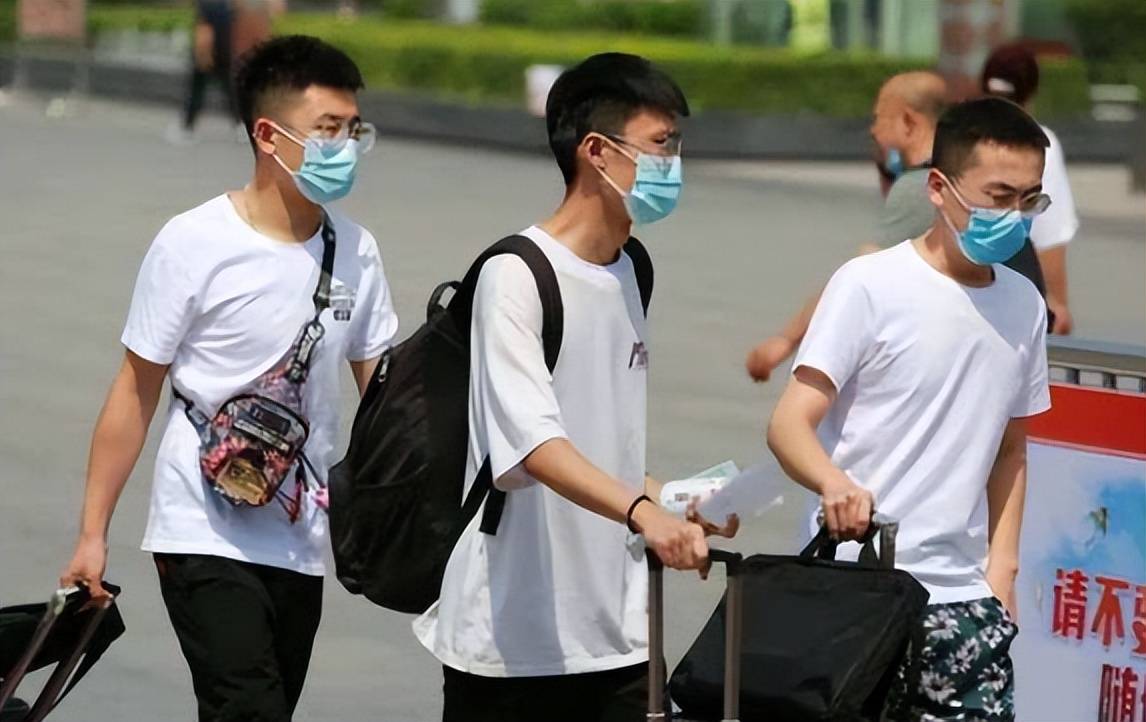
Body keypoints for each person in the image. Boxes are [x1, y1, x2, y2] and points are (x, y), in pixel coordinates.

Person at [59, 35, 397, 721]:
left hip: (301, 537)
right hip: (200, 529)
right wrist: (93, 533)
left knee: (265, 706)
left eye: (353, 130)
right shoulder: (195, 242)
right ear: (269, 136)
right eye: (327, 130)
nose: (344, 148)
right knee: (248, 708)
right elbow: (135, 390)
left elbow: (386, 398)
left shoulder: (357, 251)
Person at [412, 52, 737, 722]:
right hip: (513, 637)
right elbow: (533, 448)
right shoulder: (516, 274)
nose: (673, 163)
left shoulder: (631, 269)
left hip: (618, 629)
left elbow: (603, 444)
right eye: (660, 144)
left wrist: (671, 500)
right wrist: (642, 513)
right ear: (596, 151)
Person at [767, 97, 1051, 721]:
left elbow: (1011, 450)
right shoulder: (869, 284)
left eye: (1030, 200)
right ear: (939, 189)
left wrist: (1001, 570)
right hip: (856, 586)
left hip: (964, 602)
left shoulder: (1025, 304)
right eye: (998, 197)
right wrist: (833, 483)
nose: (1014, 216)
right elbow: (788, 423)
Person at [746, 71, 949, 382]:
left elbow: (857, 276)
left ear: (908, 122)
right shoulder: (952, 178)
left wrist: (785, 340)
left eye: (879, 119)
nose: (874, 132)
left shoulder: (917, 187)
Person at [983, 42, 1078, 335]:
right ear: (1032, 91)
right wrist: (1057, 304)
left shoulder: (961, 139)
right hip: (1017, 296)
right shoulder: (1039, 144)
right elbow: (1050, 234)